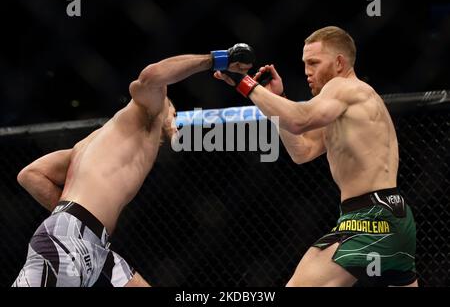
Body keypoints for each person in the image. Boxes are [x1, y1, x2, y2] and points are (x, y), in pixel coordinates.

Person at [12, 44, 254, 287]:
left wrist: (81, 225)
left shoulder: (93, 146)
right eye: (173, 110)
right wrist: (217, 60)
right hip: (68, 239)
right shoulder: (145, 112)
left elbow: (32, 174)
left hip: (95, 246)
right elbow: (151, 77)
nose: (175, 118)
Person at [215, 26, 417, 287]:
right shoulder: (346, 104)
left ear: (339, 63)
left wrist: (245, 83)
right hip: (393, 216)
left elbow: (299, 119)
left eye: (314, 63)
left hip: (370, 219)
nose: (307, 71)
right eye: (304, 64)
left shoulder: (343, 87)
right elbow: (302, 151)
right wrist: (276, 98)